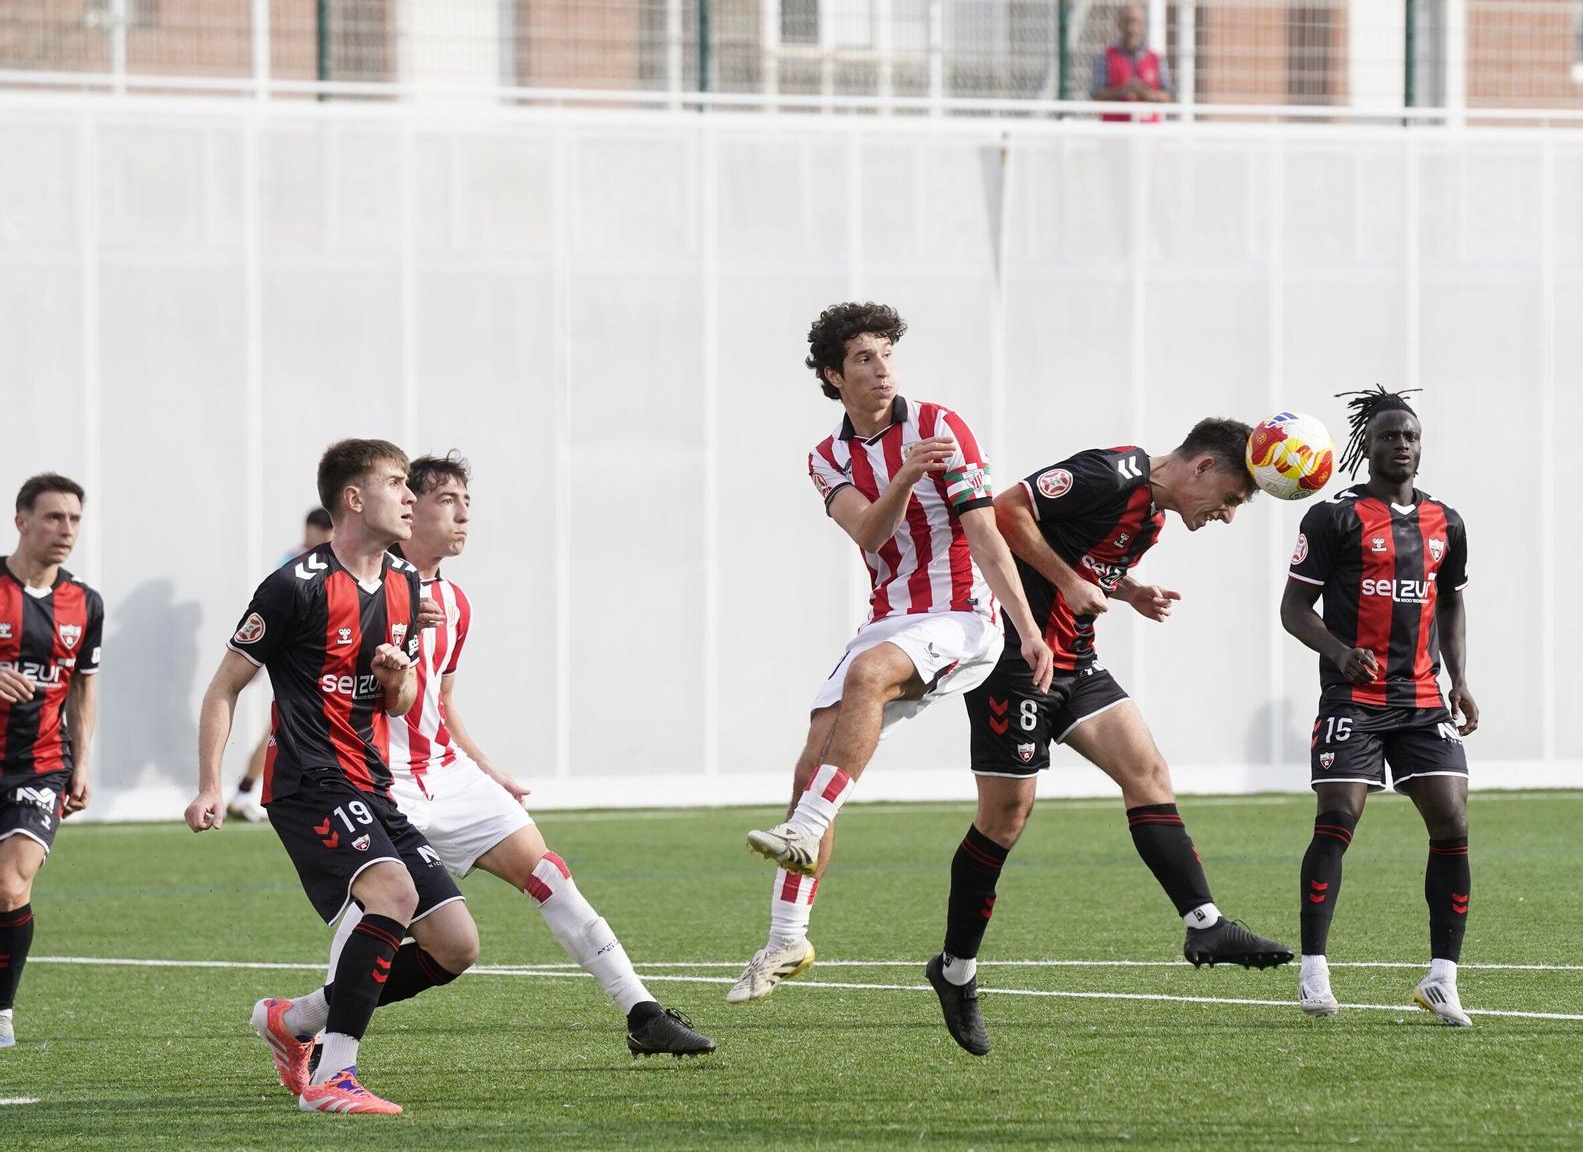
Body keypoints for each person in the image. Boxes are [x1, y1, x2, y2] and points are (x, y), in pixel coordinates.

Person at [307, 452, 710, 1059]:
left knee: (550, 874)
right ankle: (323, 1041)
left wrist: (487, 769)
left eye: (469, 503)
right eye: (448, 502)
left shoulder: (457, 602)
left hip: (447, 773)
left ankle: (641, 1013)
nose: (464, 516)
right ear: (409, 508)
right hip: (374, 782)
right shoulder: (362, 587)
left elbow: (441, 704)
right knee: (373, 921)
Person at [924, 421, 1293, 1056]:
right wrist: (1068, 582)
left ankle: (1205, 925)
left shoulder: (1151, 517)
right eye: (1231, 498)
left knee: (1147, 772)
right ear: (1201, 466)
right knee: (1005, 819)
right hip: (1016, 659)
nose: (1228, 516)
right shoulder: (1109, 472)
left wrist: (1128, 589)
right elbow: (1007, 510)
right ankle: (955, 970)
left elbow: (1084, 558)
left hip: (1076, 662)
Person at [728, 304, 1053, 1004]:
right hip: (891, 619)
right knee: (810, 765)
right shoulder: (827, 456)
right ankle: (788, 936)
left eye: (886, 356)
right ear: (833, 375)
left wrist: (1026, 624)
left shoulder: (941, 424)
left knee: (866, 679)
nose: (881, 371)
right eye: (864, 360)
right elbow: (870, 537)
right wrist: (904, 476)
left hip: (964, 616)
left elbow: (986, 534)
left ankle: (806, 828)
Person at [185, 440, 480, 1115]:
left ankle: (295, 1022)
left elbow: (399, 702)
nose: (412, 498)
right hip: (308, 779)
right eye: (399, 484)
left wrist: (395, 676)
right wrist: (210, 783)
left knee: (455, 945)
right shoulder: (296, 585)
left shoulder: (405, 584)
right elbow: (225, 687)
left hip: (372, 784)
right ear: (354, 497)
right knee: (393, 892)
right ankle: (334, 1076)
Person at [1279, 388, 1478, 1026]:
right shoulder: (1332, 518)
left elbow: (1451, 601)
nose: (1403, 445)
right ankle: (1313, 970)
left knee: (1452, 822)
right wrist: (1340, 654)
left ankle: (1441, 978)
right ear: (1369, 447)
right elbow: (1293, 609)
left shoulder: (1446, 521)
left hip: (1422, 697)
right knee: (1339, 818)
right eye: (1390, 436)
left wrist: (1462, 680)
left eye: (1412, 436)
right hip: (1354, 697)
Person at [0, 474, 105, 1051]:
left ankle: (1, 1010)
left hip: (39, 764)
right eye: (53, 517)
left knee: (12, 882)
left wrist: (81, 764)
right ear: (21, 521)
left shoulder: (84, 603)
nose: (66, 529)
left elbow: (85, 690)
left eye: (74, 519)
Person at [226, 508, 335, 825]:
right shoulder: (296, 563)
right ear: (309, 530)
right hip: (297, 659)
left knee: (282, 725)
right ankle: (249, 792)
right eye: (323, 531)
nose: (328, 538)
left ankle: (247, 790)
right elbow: (276, 609)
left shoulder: (329, 560)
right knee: (282, 724)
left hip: (314, 658)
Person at [1089, 5, 1174, 123]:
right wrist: (1124, 91)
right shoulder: (1105, 57)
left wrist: (1148, 94)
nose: (1131, 28)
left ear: (1143, 25)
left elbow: (1168, 95)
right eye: (1127, 21)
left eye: (1136, 22)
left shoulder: (1156, 59)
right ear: (1119, 25)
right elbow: (1097, 94)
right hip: (1114, 131)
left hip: (1149, 132)